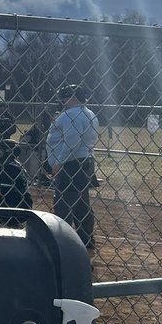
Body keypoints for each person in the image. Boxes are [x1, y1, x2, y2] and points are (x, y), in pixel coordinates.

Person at [46, 85, 99, 250]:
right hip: (85, 163)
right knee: (81, 204)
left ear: (74, 98)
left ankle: (61, 242)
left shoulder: (71, 115)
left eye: (65, 97)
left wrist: (58, 162)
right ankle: (86, 239)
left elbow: (72, 140)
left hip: (72, 164)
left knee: (63, 205)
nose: (62, 100)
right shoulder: (89, 113)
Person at [0, 132, 32, 209]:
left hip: (15, 207)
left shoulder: (9, 169)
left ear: (8, 152)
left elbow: (9, 198)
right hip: (20, 204)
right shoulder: (15, 165)